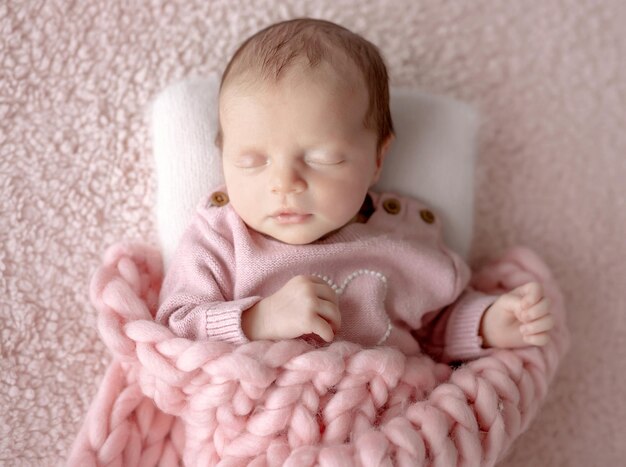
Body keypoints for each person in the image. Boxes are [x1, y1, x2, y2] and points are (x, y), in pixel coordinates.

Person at [156, 18, 554, 362]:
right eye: (251, 162)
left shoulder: (404, 241)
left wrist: (487, 324)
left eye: (321, 159)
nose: (284, 184)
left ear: (378, 159)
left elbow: (435, 330)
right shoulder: (222, 241)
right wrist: (257, 320)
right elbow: (174, 327)